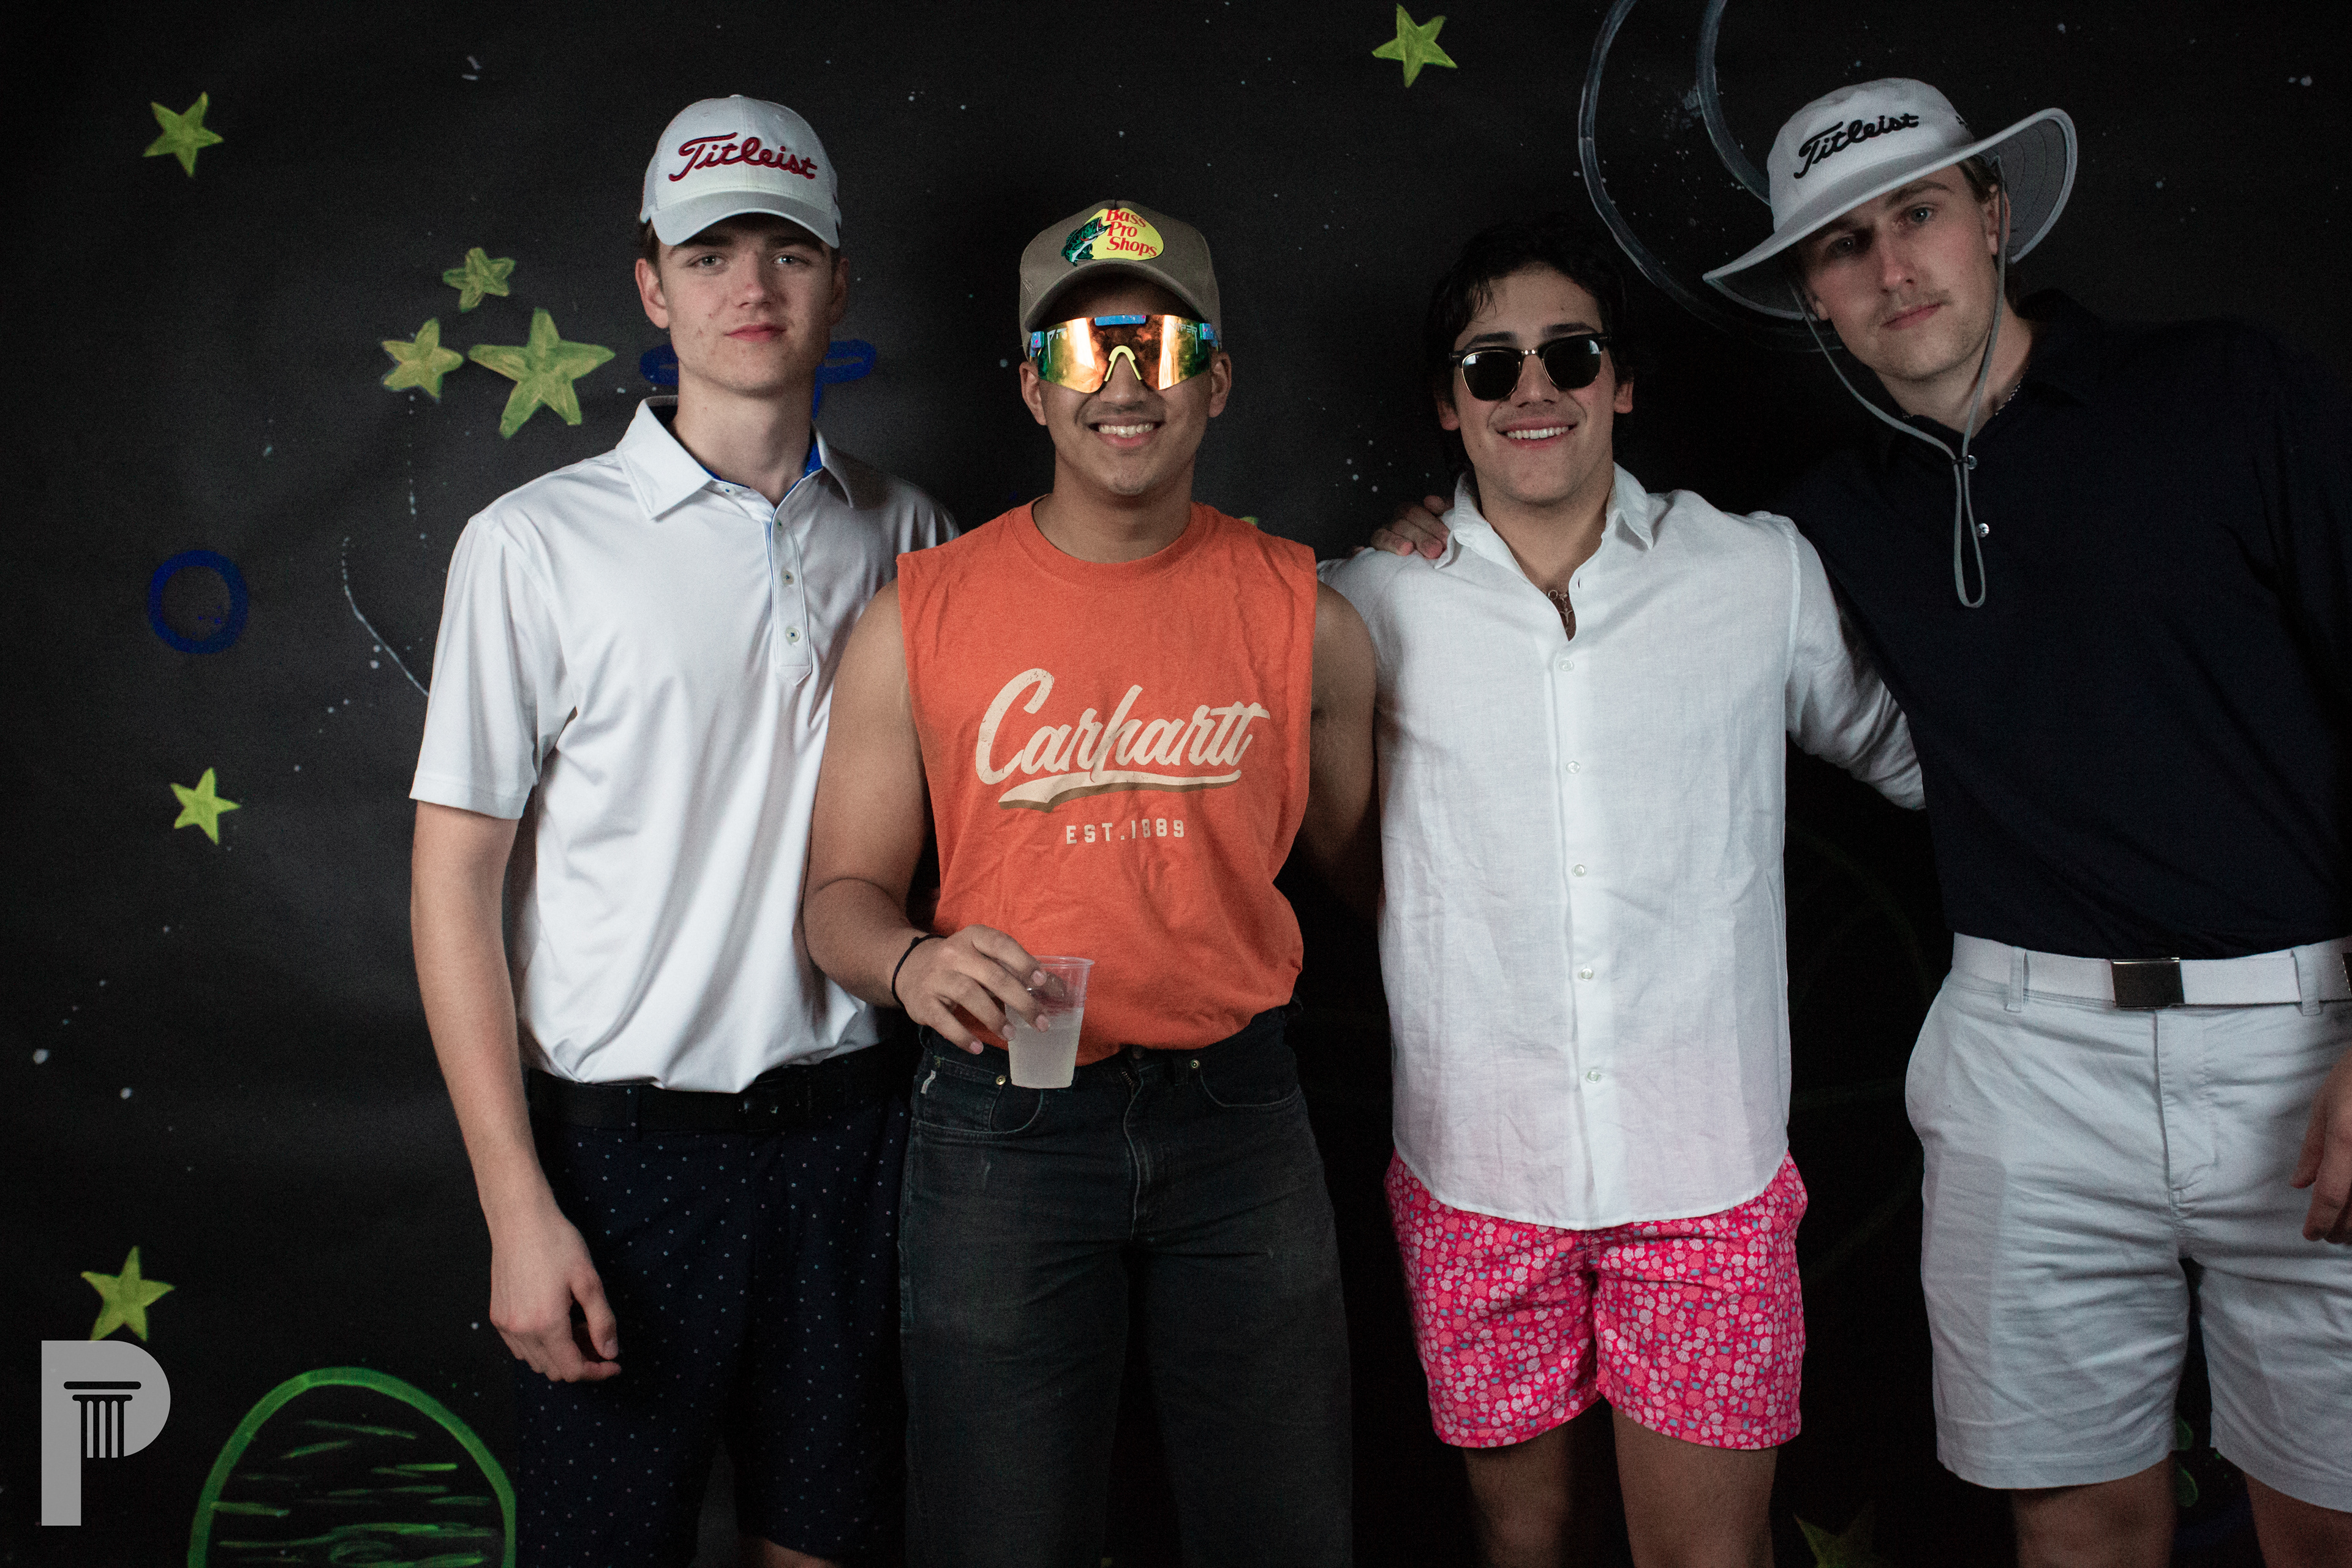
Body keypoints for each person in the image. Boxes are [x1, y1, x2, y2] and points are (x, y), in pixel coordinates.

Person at [1385, 77, 2352, 1568]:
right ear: (1810, 294)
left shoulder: (2227, 391)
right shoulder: (1827, 520)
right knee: (2078, 1519)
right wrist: (1423, 541)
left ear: (1995, 217)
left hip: (2298, 1029)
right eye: (1844, 245)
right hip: (2024, 1050)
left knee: (2326, 1512)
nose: (1892, 266)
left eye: (1919, 214)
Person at [408, 96, 952, 1568]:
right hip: (624, 1159)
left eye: (789, 251)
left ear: (840, 280)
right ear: (652, 286)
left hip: (858, 1139)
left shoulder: (915, 534)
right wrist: (517, 1202)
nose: (751, 287)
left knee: (831, 1542)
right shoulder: (533, 545)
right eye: (710, 255)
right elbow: (453, 884)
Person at [1329, 213, 1919, 1568]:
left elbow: (1910, 756)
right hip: (1478, 1168)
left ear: (1623, 380)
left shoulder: (1755, 573)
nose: (1533, 389)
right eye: (1492, 365)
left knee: (1707, 1553)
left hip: (1706, 1172)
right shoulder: (1368, 601)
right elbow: (1293, 804)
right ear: (1448, 403)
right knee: (1525, 1537)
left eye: (1571, 354)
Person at [803, 198, 1376, 1568]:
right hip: (1004, 1123)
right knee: (1000, 1536)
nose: (1122, 379)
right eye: (1078, 350)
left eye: (1159, 344)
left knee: (1284, 1535)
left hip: (1241, 1120)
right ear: (1031, 389)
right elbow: (839, 897)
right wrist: (911, 963)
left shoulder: (1311, 616)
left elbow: (1385, 887)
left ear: (1216, 380)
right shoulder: (919, 612)